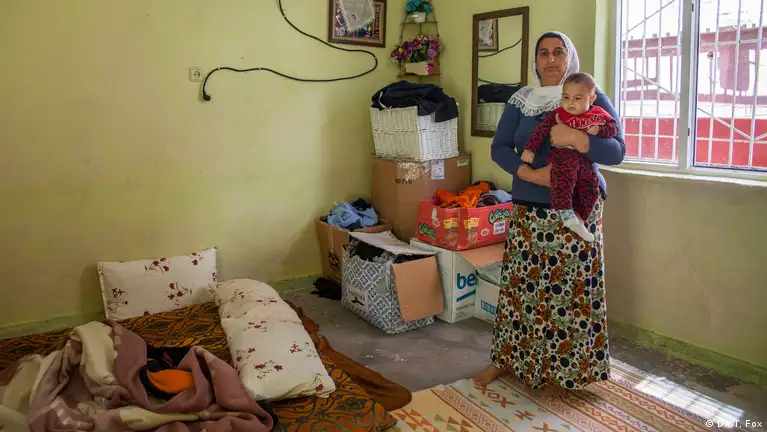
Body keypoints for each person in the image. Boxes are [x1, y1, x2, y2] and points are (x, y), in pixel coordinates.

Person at [472, 31, 625, 391]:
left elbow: (617, 151)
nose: (551, 59)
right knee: (521, 289)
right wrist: (532, 175)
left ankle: (570, 370)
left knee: (570, 292)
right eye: (544, 53)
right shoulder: (521, 101)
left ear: (570, 57)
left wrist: (578, 139)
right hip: (529, 208)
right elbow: (499, 148)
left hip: (578, 210)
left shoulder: (589, 93)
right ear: (535, 61)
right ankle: (507, 360)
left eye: (559, 52)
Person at [521, 72, 619, 242]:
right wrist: (530, 149)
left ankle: (580, 219)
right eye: (566, 97)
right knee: (565, 176)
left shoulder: (598, 114)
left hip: (585, 159)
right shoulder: (558, 113)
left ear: (591, 99)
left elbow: (613, 128)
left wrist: (599, 130)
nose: (570, 103)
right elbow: (541, 131)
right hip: (562, 155)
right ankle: (565, 211)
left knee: (590, 184)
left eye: (577, 98)